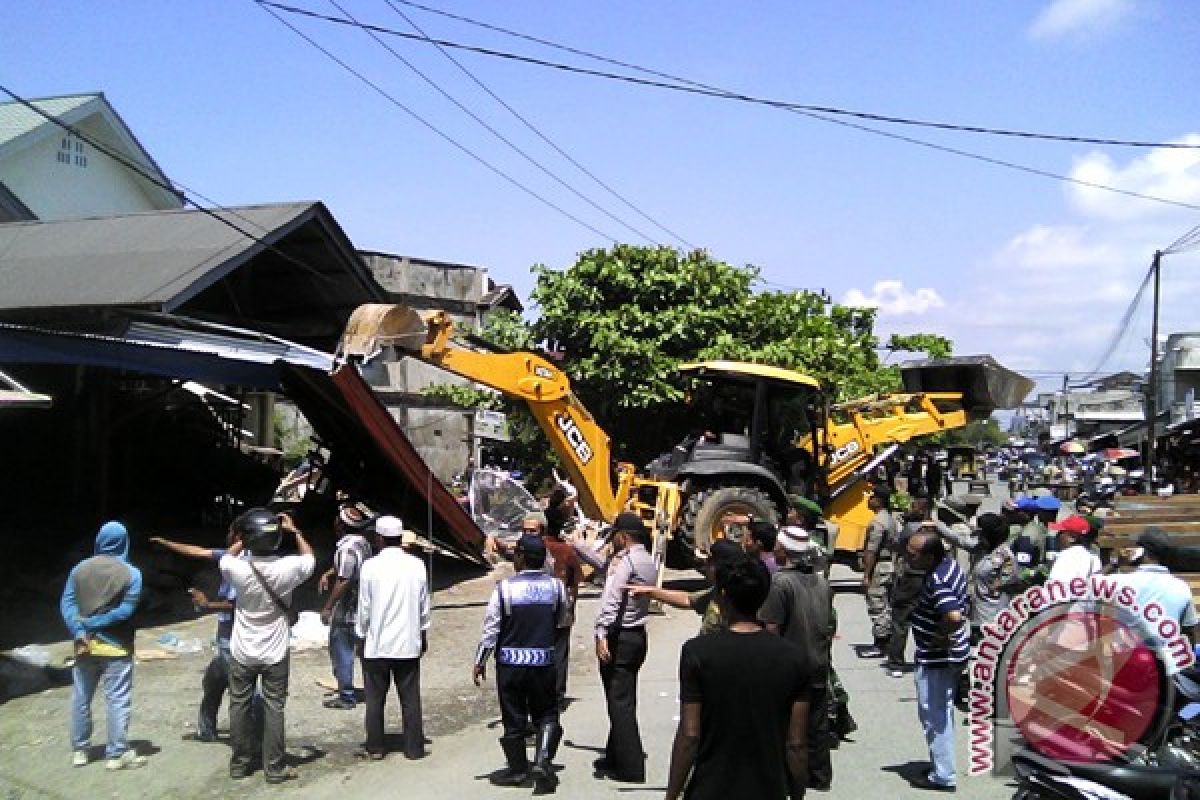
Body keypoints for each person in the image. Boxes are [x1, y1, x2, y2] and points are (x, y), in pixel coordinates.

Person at [664, 556, 811, 800]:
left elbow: (689, 736)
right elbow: (796, 744)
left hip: (710, 789)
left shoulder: (697, 653)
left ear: (722, 596)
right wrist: (797, 795)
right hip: (768, 789)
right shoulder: (794, 658)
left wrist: (671, 795)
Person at [220, 509, 315, 783]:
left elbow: (227, 556)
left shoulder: (236, 568)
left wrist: (245, 539)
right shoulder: (289, 568)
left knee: (239, 705)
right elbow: (309, 557)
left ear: (249, 539)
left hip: (242, 649)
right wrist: (294, 531)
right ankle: (274, 768)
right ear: (276, 540)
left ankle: (240, 763)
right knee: (275, 707)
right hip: (275, 651)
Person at [474, 534, 569, 792]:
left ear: (521, 557)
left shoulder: (504, 589)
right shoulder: (556, 587)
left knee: (513, 717)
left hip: (510, 665)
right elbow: (563, 621)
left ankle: (517, 770)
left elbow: (491, 629)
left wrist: (480, 660)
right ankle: (543, 759)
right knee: (547, 714)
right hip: (543, 663)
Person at [148, 528, 259, 744]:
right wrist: (166, 541)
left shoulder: (245, 565)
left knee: (243, 689)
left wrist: (207, 604)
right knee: (214, 681)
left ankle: (251, 739)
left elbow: (235, 605)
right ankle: (208, 729)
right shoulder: (230, 557)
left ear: (239, 537)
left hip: (235, 636)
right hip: (228, 635)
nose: (227, 536)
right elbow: (197, 552)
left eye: (231, 533)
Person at [60, 521, 147, 770]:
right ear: (124, 542)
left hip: (84, 645)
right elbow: (125, 611)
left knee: (81, 697)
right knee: (117, 699)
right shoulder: (132, 574)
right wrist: (96, 623)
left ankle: (80, 751)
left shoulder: (78, 569)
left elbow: (67, 606)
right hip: (117, 647)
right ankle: (116, 754)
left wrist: (81, 629)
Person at [760, 526, 835, 790]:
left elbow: (771, 629)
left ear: (782, 550)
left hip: (791, 666)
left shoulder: (780, 583)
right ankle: (820, 775)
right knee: (817, 723)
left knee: (790, 730)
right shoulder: (821, 582)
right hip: (819, 661)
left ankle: (792, 781)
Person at [354, 516, 429, 760]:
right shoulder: (417, 565)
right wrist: (423, 633)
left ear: (379, 539)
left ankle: (375, 747)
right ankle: (414, 748)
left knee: (375, 699)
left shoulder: (370, 567)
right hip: (408, 643)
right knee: (410, 698)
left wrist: (360, 635)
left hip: (377, 645)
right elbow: (423, 606)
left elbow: (364, 608)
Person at [593, 511, 657, 783]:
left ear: (624, 536)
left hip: (620, 636)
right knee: (624, 697)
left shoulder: (626, 562)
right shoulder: (649, 561)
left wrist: (600, 634)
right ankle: (615, 753)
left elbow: (612, 599)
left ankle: (630, 767)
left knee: (619, 702)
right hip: (638, 636)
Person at [907, 532, 970, 792]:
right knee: (941, 710)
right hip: (950, 654)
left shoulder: (938, 579)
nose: (908, 557)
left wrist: (939, 637)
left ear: (930, 556)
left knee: (934, 715)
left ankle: (943, 775)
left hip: (937, 658)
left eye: (913, 554)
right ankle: (940, 764)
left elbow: (953, 616)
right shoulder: (950, 565)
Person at [318, 502, 375, 710]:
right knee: (364, 650)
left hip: (349, 607)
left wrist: (328, 607)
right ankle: (373, 690)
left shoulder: (347, 548)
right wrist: (328, 573)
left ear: (341, 525)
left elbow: (344, 578)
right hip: (364, 606)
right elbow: (344, 567)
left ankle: (346, 696)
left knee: (341, 649)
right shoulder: (362, 543)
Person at [626, 538, 745, 636]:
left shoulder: (737, 598)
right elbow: (688, 599)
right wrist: (650, 592)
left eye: (709, 561)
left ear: (718, 566)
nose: (705, 565)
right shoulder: (716, 592)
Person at [1117, 529, 1199, 669]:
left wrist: (1114, 563)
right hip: (1165, 666)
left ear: (1141, 551)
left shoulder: (1120, 582)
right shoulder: (1181, 587)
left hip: (1127, 663)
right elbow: (1189, 633)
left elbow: (1081, 589)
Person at [536, 510, 582, 709]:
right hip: (563, 607)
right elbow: (576, 580)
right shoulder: (567, 551)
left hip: (540, 609)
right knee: (560, 652)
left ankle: (542, 692)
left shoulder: (536, 549)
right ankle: (556, 694)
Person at [861, 485, 898, 656]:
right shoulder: (889, 519)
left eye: (872, 496)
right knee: (886, 605)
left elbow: (871, 551)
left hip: (879, 566)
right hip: (889, 565)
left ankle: (881, 643)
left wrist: (866, 575)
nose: (870, 499)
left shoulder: (877, 522)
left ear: (879, 500)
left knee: (877, 604)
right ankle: (886, 640)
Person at [968, 513, 1016, 640]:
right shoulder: (983, 549)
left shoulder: (1006, 557)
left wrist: (998, 624)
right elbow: (961, 541)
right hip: (977, 616)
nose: (978, 538)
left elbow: (1006, 590)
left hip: (992, 620)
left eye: (981, 534)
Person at [1046, 515, 1102, 584]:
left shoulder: (1065, 557)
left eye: (1061, 532)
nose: (1057, 536)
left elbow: (1053, 588)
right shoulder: (1094, 558)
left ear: (1072, 538)